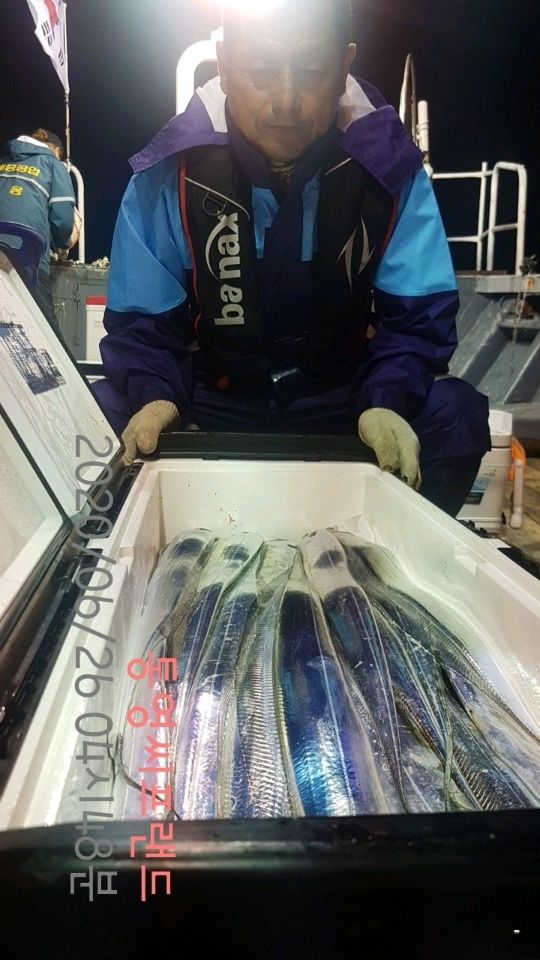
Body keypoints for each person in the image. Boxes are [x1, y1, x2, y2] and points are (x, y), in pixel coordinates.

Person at [96, 0, 490, 515]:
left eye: (311, 70)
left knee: (454, 416)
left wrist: (385, 402)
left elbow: (417, 324)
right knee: (100, 414)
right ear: (225, 63)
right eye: (261, 69)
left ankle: (385, 552)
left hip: (344, 398)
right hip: (218, 395)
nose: (285, 100)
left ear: (344, 67)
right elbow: (142, 328)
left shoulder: (390, 174)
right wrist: (156, 396)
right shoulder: (167, 175)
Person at [0, 127, 77, 332]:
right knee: (46, 330)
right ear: (56, 150)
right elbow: (63, 219)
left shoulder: (4, 160)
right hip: (28, 260)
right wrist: (61, 245)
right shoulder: (53, 164)